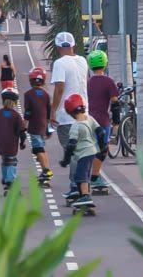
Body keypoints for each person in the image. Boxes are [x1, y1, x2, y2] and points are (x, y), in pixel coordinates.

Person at [49, 31, 90, 197]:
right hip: (84, 114)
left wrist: (52, 111)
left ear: (58, 47)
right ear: (73, 45)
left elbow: (59, 88)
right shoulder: (82, 61)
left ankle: (75, 187)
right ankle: (83, 187)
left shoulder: (59, 63)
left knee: (72, 152)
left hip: (66, 116)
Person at [86, 50, 119, 192]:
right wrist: (116, 123)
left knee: (90, 149)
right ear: (105, 64)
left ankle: (90, 175)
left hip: (88, 120)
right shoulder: (109, 81)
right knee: (102, 149)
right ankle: (95, 177)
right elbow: (115, 104)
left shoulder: (87, 82)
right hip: (103, 121)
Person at [59, 94, 99, 207]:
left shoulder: (75, 126)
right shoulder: (89, 118)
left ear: (69, 112)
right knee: (82, 174)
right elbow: (101, 131)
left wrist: (65, 160)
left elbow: (71, 145)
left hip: (83, 154)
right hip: (92, 151)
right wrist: (102, 146)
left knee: (81, 175)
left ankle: (86, 196)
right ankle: (82, 196)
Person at [0, 88, 26, 193]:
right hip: (11, 142)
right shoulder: (16, 115)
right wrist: (22, 142)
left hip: (0, 142)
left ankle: (5, 178)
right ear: (15, 102)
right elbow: (22, 131)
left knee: (5, 159)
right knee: (12, 160)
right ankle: (10, 182)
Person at [24, 67, 54, 180]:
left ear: (30, 80)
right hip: (43, 125)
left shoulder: (28, 94)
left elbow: (28, 112)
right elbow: (49, 113)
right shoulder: (46, 94)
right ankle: (46, 169)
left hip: (34, 126)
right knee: (41, 148)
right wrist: (49, 128)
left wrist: (24, 124)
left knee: (37, 149)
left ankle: (46, 170)